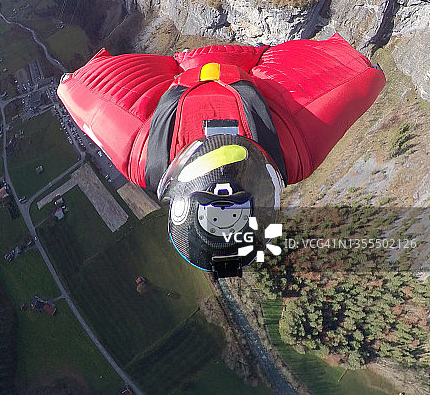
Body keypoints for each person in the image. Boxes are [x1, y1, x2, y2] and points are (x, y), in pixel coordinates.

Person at [57, 34, 385, 278]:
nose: (226, 191)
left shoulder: (294, 150)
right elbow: (76, 91)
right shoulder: (143, 154)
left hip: (255, 71)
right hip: (191, 78)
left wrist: (367, 74)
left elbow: (361, 78)